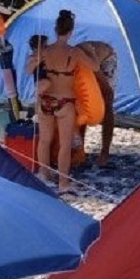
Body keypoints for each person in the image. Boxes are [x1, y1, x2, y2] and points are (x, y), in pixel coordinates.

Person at [26, 10, 97, 195]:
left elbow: (28, 69)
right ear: (71, 32)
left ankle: (44, 174)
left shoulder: (45, 51)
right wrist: (90, 52)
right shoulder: (75, 52)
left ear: (56, 29)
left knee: (44, 140)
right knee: (65, 145)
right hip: (65, 101)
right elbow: (95, 67)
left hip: (45, 100)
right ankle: (63, 183)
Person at [75, 40, 117, 167]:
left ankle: (105, 152)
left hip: (104, 59)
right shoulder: (62, 61)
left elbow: (107, 91)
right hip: (90, 60)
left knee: (107, 103)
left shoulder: (86, 59)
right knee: (82, 105)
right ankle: (80, 149)